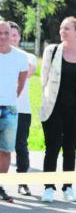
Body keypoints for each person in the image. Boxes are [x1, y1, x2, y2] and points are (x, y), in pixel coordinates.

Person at [38, 16, 76, 203]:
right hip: (53, 109)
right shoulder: (51, 51)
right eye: (61, 28)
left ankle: (68, 187)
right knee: (52, 148)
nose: (62, 31)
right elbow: (43, 79)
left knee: (70, 149)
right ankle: (48, 188)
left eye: (67, 28)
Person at [0, 21, 29, 203]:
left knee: (5, 149)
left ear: (12, 35)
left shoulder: (20, 57)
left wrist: (11, 98)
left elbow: (22, 80)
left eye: (6, 33)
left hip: (9, 109)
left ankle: (0, 185)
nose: (2, 37)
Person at [9, 22, 36, 196]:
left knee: (21, 146)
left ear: (19, 37)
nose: (11, 38)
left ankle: (22, 181)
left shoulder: (28, 57)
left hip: (22, 110)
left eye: (14, 35)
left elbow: (29, 71)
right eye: (7, 34)